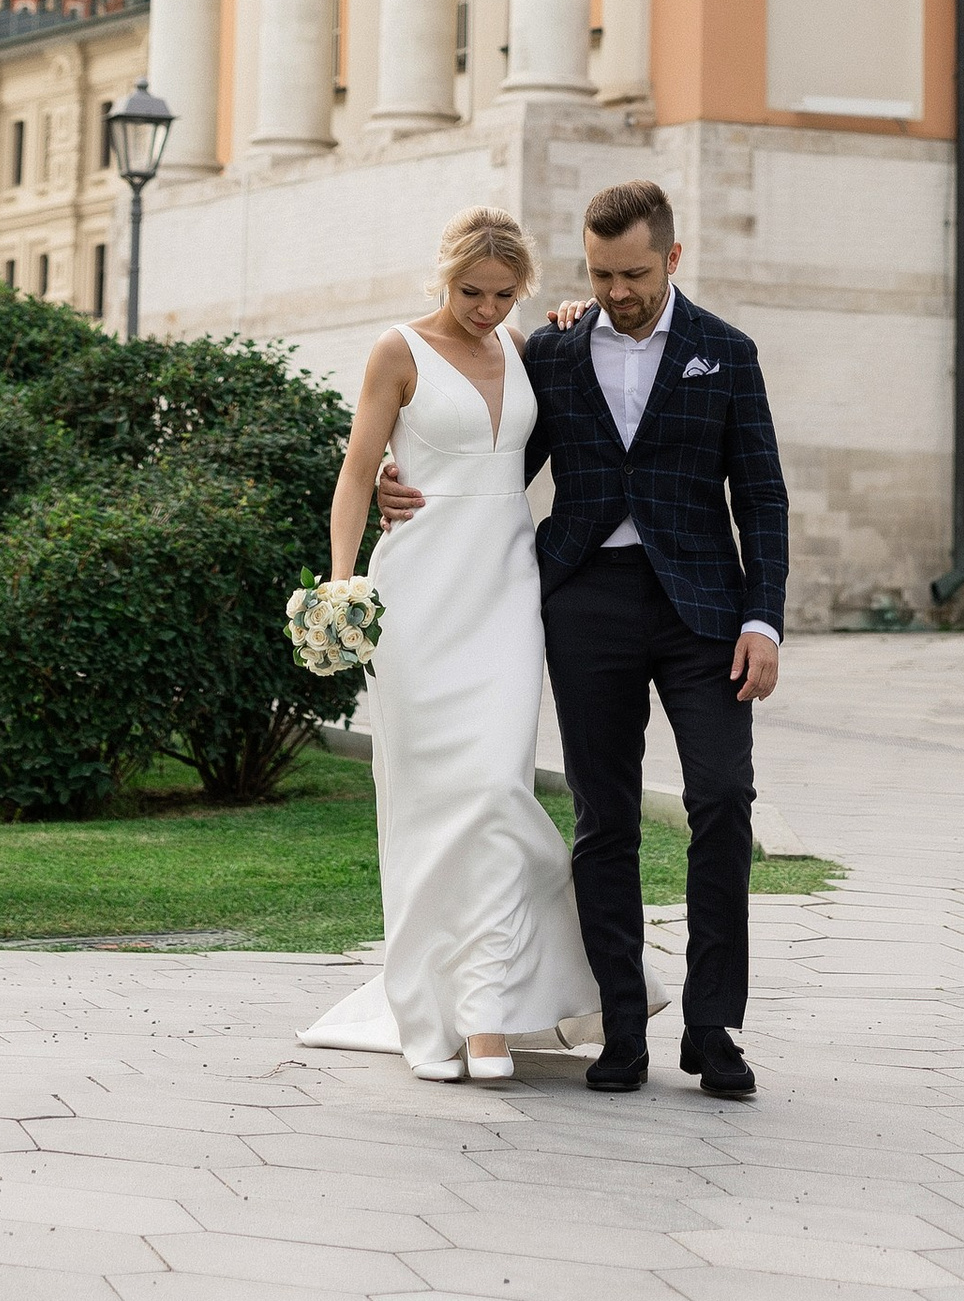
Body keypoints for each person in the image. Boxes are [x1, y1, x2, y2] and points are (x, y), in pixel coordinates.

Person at [379, 175, 790, 1100]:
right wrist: (384, 483)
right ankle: (619, 1026)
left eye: (635, 273)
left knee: (722, 800)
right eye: (602, 274)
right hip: (585, 604)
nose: (617, 291)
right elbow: (479, 454)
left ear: (673, 258)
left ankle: (714, 1028)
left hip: (706, 618)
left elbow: (760, 497)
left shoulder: (727, 353)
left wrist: (763, 619)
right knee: (604, 819)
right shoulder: (553, 352)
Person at [301, 207, 600, 1086]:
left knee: (499, 787)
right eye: (472, 291)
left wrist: (575, 319)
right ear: (445, 276)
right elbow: (360, 469)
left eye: (505, 294)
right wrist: (342, 583)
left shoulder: (530, 347)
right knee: (434, 803)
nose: (485, 307)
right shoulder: (398, 349)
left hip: (508, 590)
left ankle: (490, 1012)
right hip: (421, 592)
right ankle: (454, 1011)